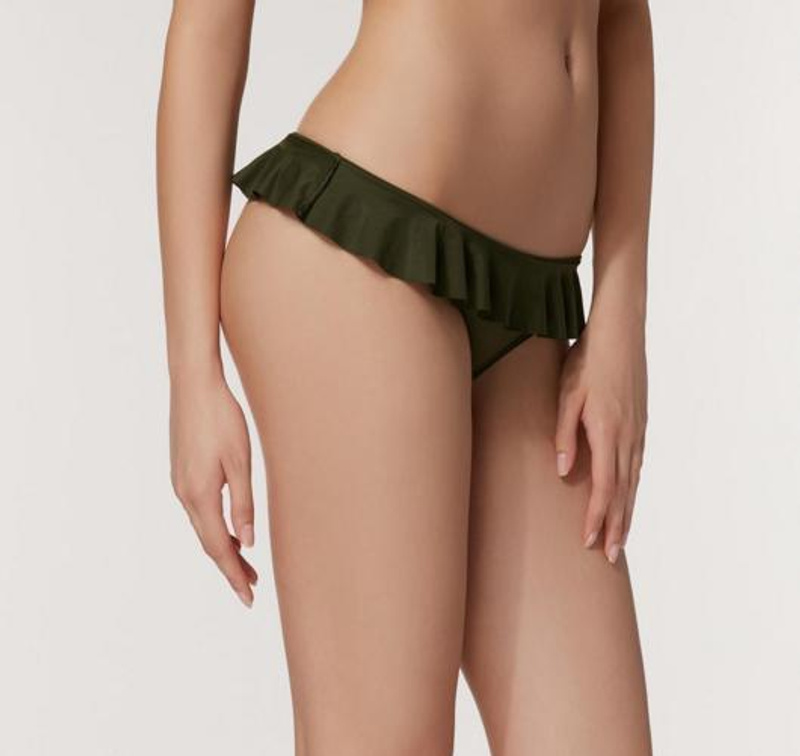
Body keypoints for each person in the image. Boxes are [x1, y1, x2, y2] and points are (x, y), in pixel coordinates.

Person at [156, 0, 654, 753]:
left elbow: (622, 18)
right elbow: (207, 23)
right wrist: (193, 375)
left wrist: (620, 314)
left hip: (528, 313)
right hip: (363, 252)